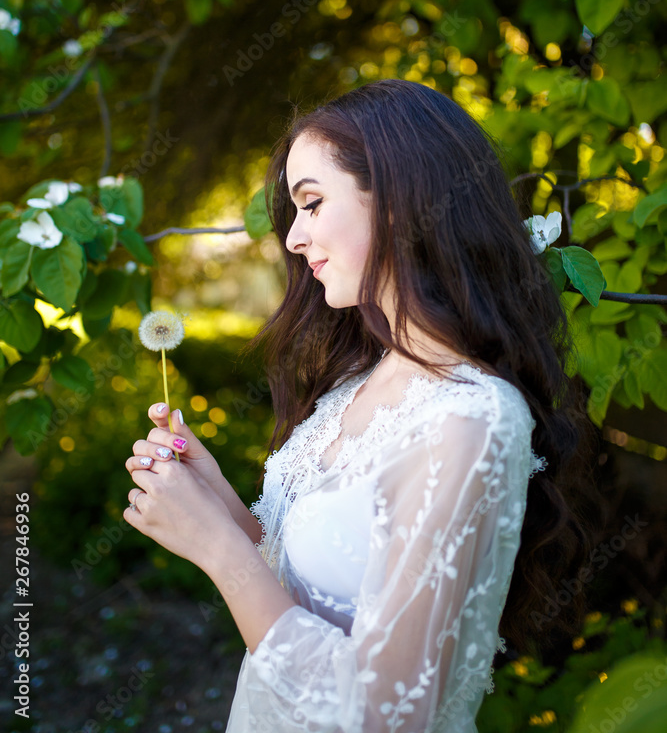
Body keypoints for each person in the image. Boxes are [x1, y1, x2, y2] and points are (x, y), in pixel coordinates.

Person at [124, 78, 598, 732]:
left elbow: (385, 713)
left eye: (311, 203)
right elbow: (307, 590)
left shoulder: (470, 420)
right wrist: (214, 506)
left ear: (402, 201)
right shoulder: (357, 381)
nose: (292, 237)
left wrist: (216, 550)